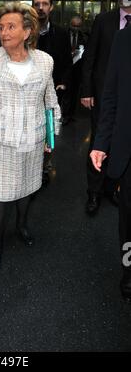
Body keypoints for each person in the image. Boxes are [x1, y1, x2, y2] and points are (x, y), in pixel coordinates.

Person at [0, 2, 61, 275]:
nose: (3, 33)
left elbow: (50, 102)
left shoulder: (45, 61)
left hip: (32, 138)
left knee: (28, 188)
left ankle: (21, 225)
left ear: (27, 31)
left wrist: (51, 137)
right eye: (1, 27)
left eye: (11, 27)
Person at [81, 0, 131, 216]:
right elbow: (90, 56)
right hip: (103, 95)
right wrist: (87, 90)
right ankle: (94, 192)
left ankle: (114, 188)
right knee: (99, 142)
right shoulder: (104, 20)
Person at [90, 25, 131, 303]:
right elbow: (112, 95)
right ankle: (129, 272)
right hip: (129, 148)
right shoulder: (125, 38)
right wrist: (101, 142)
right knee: (128, 218)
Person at [32, 0, 72, 185]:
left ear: (51, 7)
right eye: (37, 4)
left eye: (44, 4)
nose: (40, 8)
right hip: (29, 92)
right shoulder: (25, 32)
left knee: (49, 131)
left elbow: (66, 62)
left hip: (52, 92)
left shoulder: (61, 33)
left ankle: (45, 166)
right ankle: (31, 167)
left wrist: (63, 82)